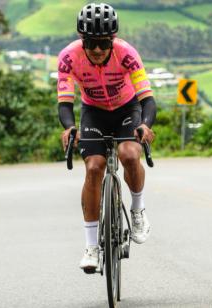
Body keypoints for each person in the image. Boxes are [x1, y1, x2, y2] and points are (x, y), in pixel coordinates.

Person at [57, 3, 157, 273]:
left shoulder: (126, 53)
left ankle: (137, 210)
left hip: (127, 109)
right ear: (82, 40)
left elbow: (147, 99)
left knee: (128, 154)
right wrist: (68, 127)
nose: (98, 50)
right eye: (91, 43)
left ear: (112, 40)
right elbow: (65, 103)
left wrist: (146, 125)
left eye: (103, 43)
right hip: (94, 112)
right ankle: (91, 247)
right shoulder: (68, 57)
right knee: (94, 167)